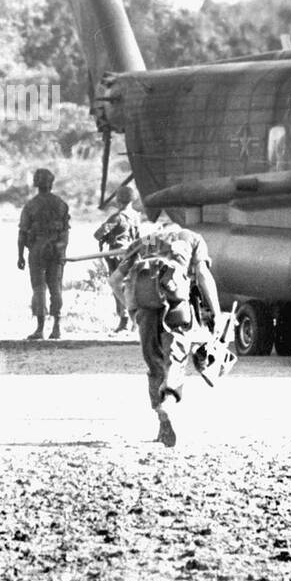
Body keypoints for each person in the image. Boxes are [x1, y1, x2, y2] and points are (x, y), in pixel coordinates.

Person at [109, 219, 224, 447]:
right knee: (176, 359)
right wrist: (217, 312)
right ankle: (169, 400)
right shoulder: (191, 238)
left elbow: (114, 281)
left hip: (145, 306)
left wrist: (132, 309)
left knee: (154, 364)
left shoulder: (147, 240)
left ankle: (161, 424)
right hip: (176, 305)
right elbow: (202, 275)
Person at [17, 168, 70, 340]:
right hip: (56, 248)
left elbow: (22, 234)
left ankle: (39, 329)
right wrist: (62, 250)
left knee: (39, 288)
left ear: (36, 183)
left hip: (37, 249)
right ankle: (56, 328)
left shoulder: (30, 206)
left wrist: (20, 256)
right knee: (56, 287)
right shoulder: (61, 204)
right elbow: (65, 232)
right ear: (51, 183)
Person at [93, 185, 143, 332]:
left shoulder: (117, 217)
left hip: (116, 255)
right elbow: (139, 238)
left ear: (119, 200)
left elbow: (97, 234)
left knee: (116, 287)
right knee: (130, 287)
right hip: (132, 254)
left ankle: (125, 319)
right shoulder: (135, 216)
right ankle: (133, 320)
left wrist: (107, 235)